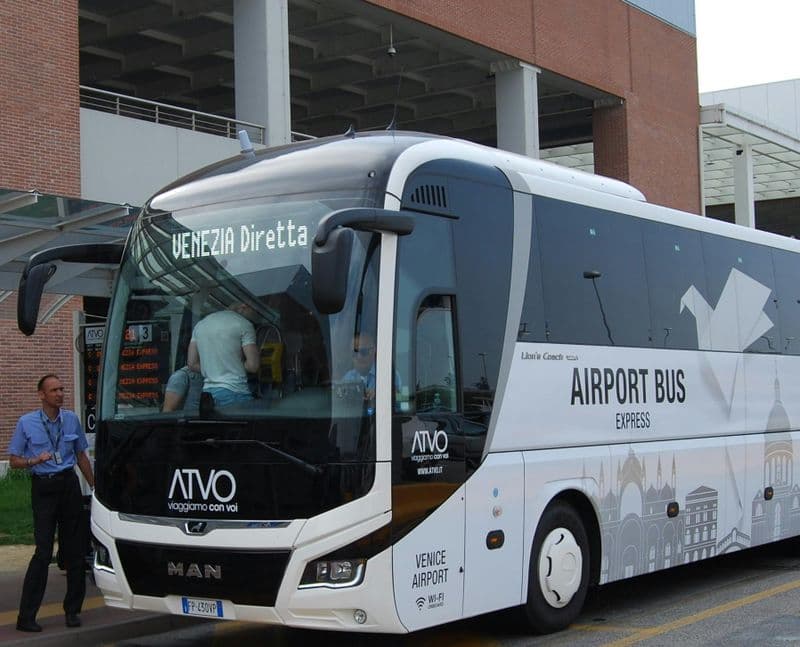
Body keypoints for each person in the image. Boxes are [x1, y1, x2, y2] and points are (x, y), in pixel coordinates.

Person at [7, 374, 94, 633]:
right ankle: (26, 616)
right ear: (41, 395)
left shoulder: (71, 420)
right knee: (43, 551)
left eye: (62, 389)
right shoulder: (27, 423)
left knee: (75, 550)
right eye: (54, 390)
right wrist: (34, 461)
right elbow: (14, 460)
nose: (60, 393)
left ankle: (73, 611)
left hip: (68, 485)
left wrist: (94, 486)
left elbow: (80, 454)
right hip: (43, 487)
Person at [187, 302, 259, 407]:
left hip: (207, 394)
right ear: (244, 306)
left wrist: (215, 367)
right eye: (254, 311)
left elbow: (192, 363)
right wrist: (233, 365)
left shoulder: (201, 324)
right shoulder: (244, 324)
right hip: (235, 392)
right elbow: (253, 366)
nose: (255, 316)